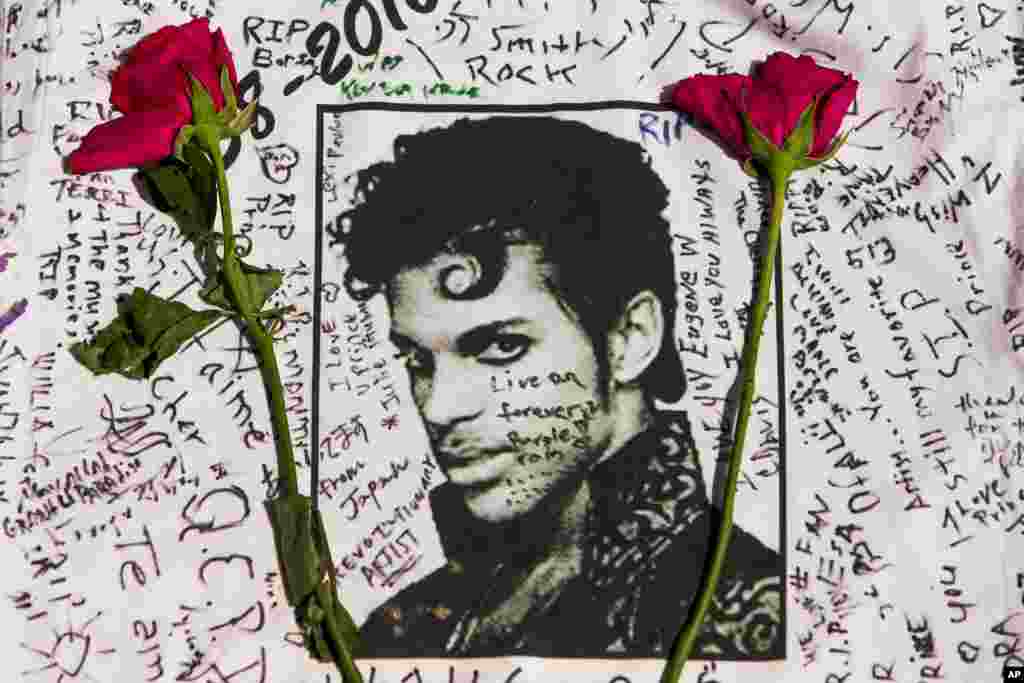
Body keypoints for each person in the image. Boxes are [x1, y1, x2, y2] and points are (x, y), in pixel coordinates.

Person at [335, 115, 783, 658]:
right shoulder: (406, 627)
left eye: (500, 348)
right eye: (416, 360)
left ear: (629, 338)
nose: (439, 407)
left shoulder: (747, 613)